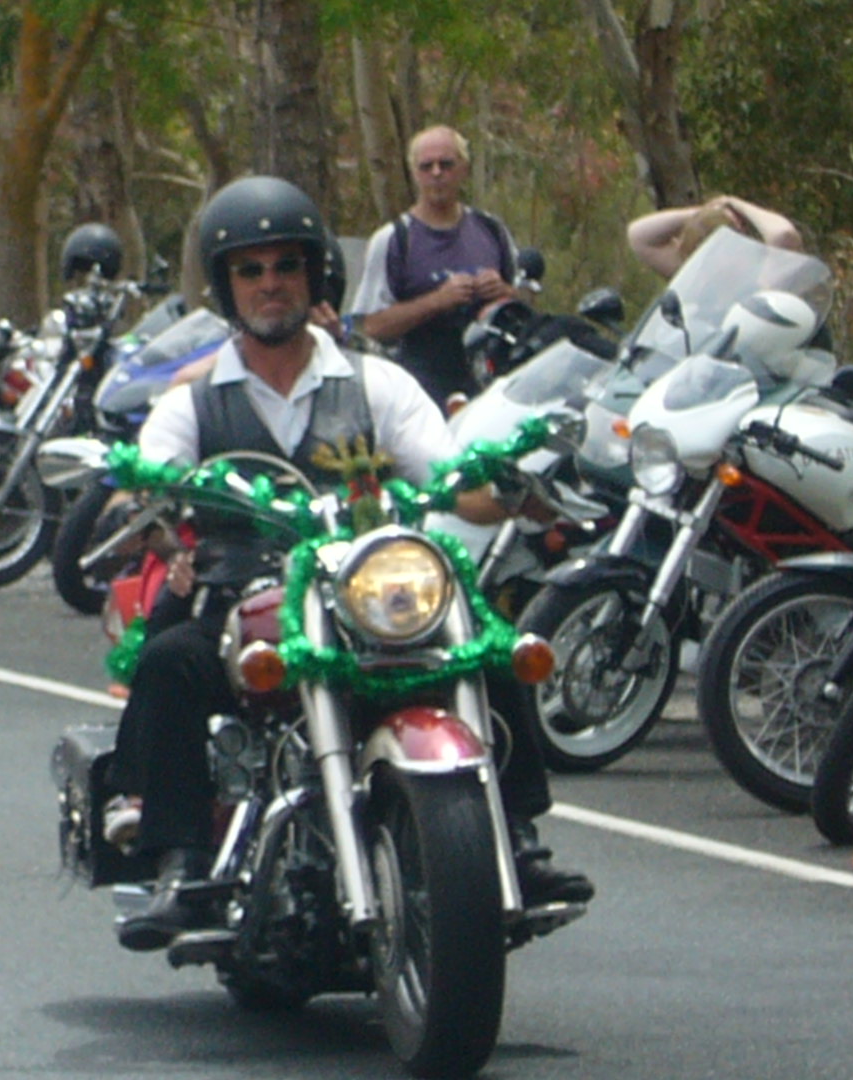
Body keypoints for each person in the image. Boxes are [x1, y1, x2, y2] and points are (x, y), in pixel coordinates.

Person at [106, 175, 593, 953]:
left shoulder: (376, 383)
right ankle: (184, 864)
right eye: (251, 271)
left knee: (484, 643)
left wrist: (507, 493)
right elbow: (145, 483)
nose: (271, 284)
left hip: (366, 593)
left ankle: (518, 839)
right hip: (243, 595)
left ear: (316, 274)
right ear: (228, 287)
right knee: (169, 663)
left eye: (286, 266)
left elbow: (448, 475)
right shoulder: (193, 402)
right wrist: (149, 519)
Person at [347, 126, 520, 406]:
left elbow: (525, 303)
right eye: (426, 166)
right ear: (414, 174)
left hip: (490, 388)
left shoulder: (491, 230)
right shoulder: (394, 239)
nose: (437, 174)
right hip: (421, 391)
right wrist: (438, 301)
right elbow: (370, 326)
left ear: (464, 168)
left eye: (446, 164)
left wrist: (503, 292)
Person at [626, 194, 803, 280]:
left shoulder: (764, 279)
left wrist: (732, 204)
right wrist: (710, 210)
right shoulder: (696, 280)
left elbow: (784, 235)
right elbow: (637, 235)